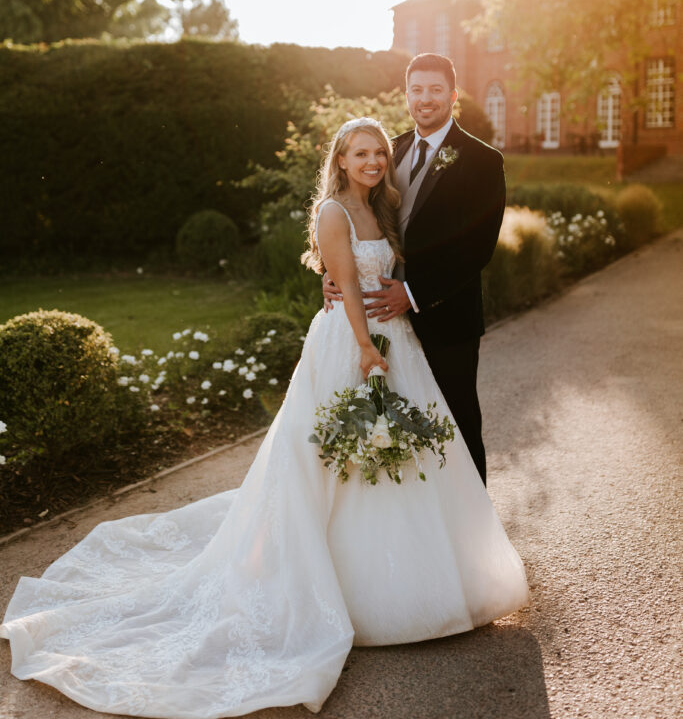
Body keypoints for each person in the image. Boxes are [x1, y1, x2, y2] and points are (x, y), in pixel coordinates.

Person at [1, 117, 528, 719]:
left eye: (379, 152)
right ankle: (348, 591)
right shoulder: (333, 212)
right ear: (341, 157)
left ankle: (423, 584)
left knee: (399, 455)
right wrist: (364, 347)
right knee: (336, 458)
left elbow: (383, 269)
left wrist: (387, 327)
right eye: (361, 153)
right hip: (354, 343)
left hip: (397, 339)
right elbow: (346, 285)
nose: (374, 161)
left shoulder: (384, 207)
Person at [324, 53, 504, 484]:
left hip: (445, 316)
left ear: (453, 96)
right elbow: (353, 223)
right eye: (417, 90)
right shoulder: (392, 150)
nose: (425, 99)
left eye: (435, 90)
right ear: (406, 95)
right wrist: (335, 275)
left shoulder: (482, 161)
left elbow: (477, 248)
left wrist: (413, 293)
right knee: (397, 425)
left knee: (457, 421)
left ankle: (474, 528)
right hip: (384, 323)